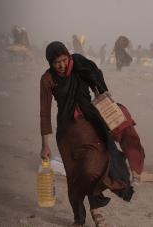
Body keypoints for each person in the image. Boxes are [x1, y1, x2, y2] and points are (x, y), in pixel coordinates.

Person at [40, 41, 133, 226]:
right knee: (75, 176)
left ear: (68, 56)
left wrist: (104, 94)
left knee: (91, 170)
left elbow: (95, 79)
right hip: (67, 133)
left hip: (89, 123)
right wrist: (45, 144)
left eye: (64, 60)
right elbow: (44, 112)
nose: (62, 65)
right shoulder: (47, 79)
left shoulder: (79, 65)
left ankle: (95, 209)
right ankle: (78, 218)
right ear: (50, 62)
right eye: (56, 62)